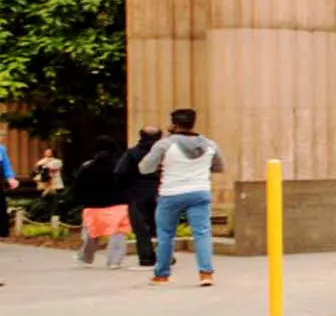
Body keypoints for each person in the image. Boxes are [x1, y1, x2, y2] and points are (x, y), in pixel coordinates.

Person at [138, 108, 224, 286]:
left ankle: (162, 274)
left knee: (166, 234)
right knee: (202, 233)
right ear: (193, 122)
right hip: (200, 191)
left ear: (173, 124)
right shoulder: (210, 145)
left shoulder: (164, 144)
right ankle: (206, 273)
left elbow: (144, 168)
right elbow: (219, 167)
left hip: (171, 193)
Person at [72, 138, 131, 268]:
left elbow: (79, 186)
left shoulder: (87, 166)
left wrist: (81, 201)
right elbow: (127, 183)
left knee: (92, 233)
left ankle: (86, 258)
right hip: (117, 203)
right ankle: (114, 261)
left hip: (93, 205)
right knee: (118, 233)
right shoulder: (120, 165)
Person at [116, 126, 163, 268]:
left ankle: (146, 258)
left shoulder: (132, 153)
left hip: (137, 193)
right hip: (160, 191)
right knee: (163, 226)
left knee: (141, 228)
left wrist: (127, 187)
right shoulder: (164, 153)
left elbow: (120, 172)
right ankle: (164, 255)